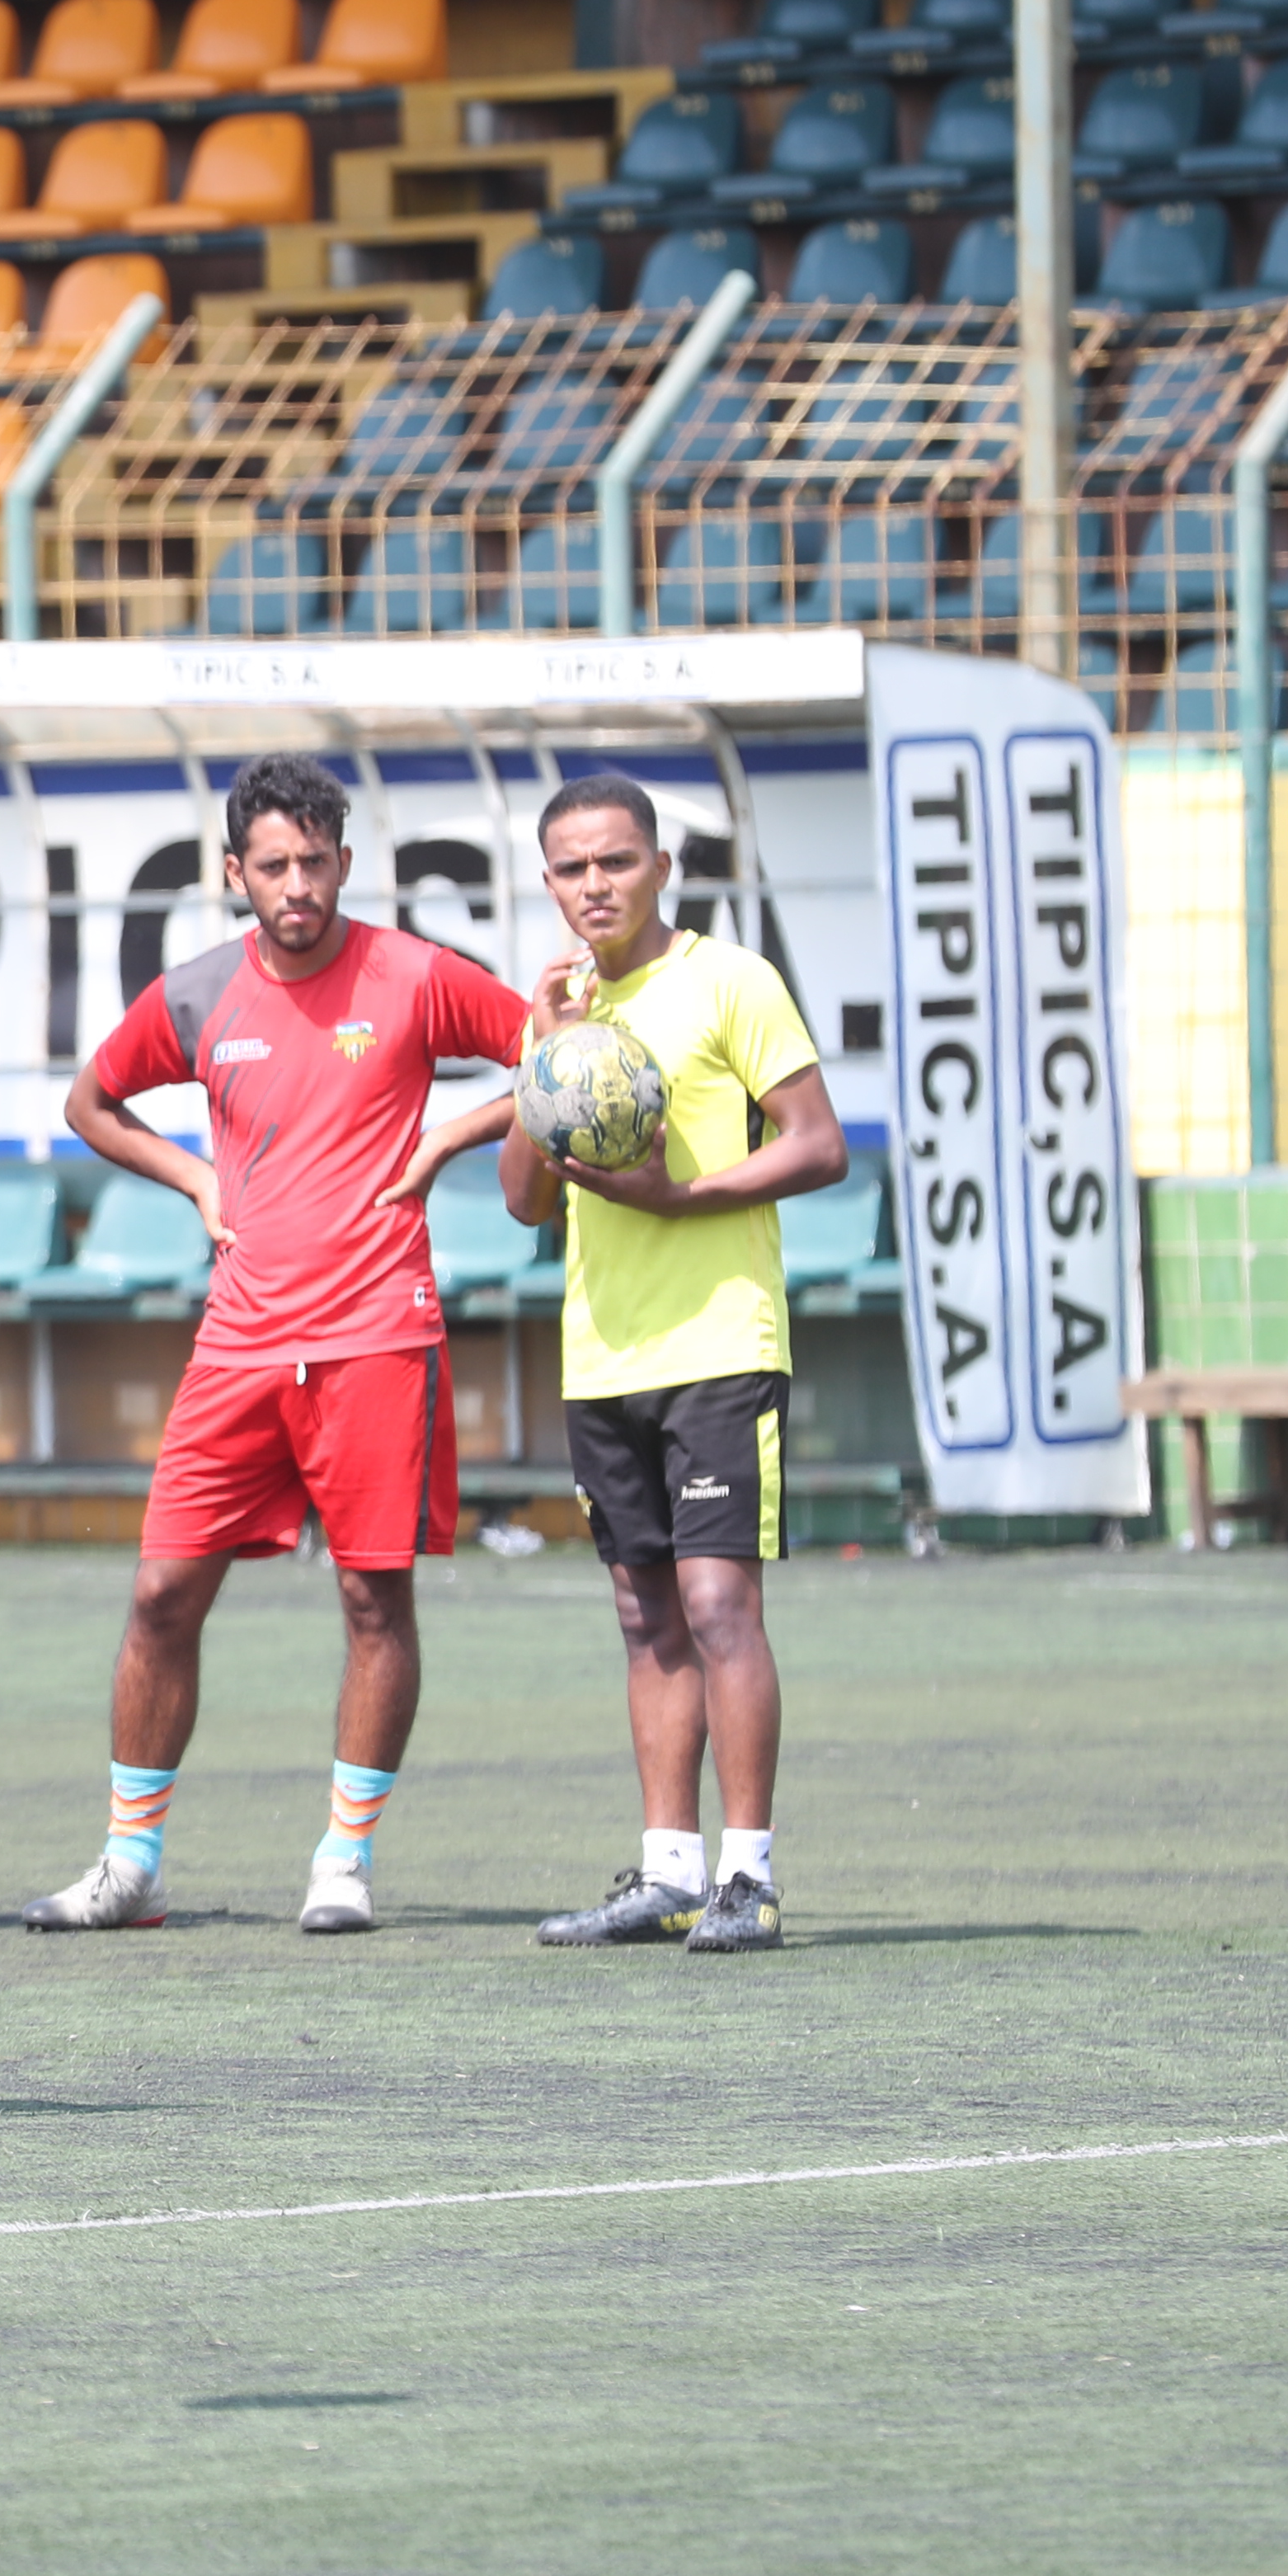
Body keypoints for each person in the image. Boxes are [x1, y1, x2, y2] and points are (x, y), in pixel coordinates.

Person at [21, 754, 527, 1939]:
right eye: (274, 865)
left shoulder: (416, 976)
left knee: (372, 1600)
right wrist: (196, 1176)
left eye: (316, 862)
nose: (298, 885)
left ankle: (344, 1861)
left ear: (346, 863)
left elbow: (557, 1053)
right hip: (240, 1341)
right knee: (160, 1595)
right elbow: (90, 1105)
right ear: (234, 872)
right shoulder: (198, 994)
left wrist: (449, 1135)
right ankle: (130, 1865)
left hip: (378, 1334)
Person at [501, 773, 846, 1957]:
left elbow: (819, 1145)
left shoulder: (732, 981)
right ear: (549, 884)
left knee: (716, 1605)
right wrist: (544, 1052)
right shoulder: (563, 1012)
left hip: (721, 1342)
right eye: (572, 868)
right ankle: (666, 1874)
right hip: (603, 1353)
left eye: (617, 861)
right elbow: (523, 1199)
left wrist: (680, 1196)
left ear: (661, 866)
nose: (595, 885)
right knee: (644, 1614)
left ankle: (748, 1878)